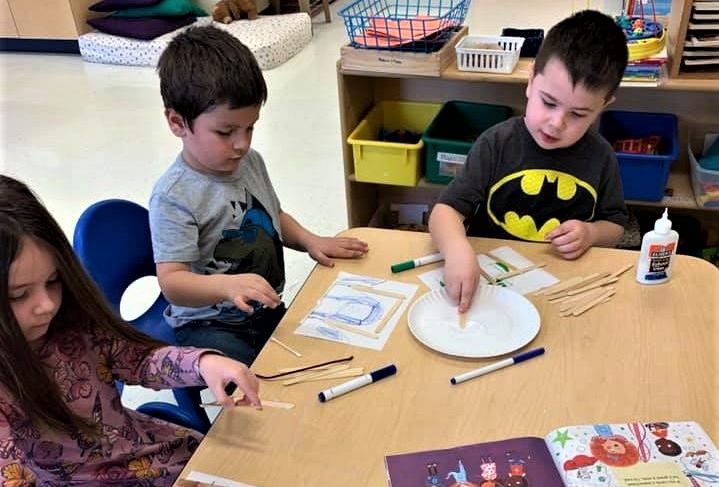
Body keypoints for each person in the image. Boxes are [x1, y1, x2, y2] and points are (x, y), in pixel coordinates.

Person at [0, 174, 261, 485]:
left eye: (53, 280)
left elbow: (137, 359)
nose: (46, 304)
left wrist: (203, 363)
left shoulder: (72, 320)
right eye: (19, 294)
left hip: (155, 456)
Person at [150, 25, 368, 365]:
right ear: (177, 123)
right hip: (208, 325)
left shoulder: (250, 162)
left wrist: (311, 240)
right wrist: (227, 286)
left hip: (262, 310)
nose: (242, 143)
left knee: (324, 356)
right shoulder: (174, 196)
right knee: (269, 385)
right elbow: (173, 283)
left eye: (249, 127)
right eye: (226, 132)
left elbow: (273, 215)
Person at [429, 10, 630, 312]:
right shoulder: (496, 144)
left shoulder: (601, 156)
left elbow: (616, 226)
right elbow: (445, 211)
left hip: (563, 288)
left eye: (578, 114)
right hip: (491, 283)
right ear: (531, 80)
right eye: (548, 102)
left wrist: (591, 233)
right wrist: (457, 249)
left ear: (604, 106)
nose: (556, 123)